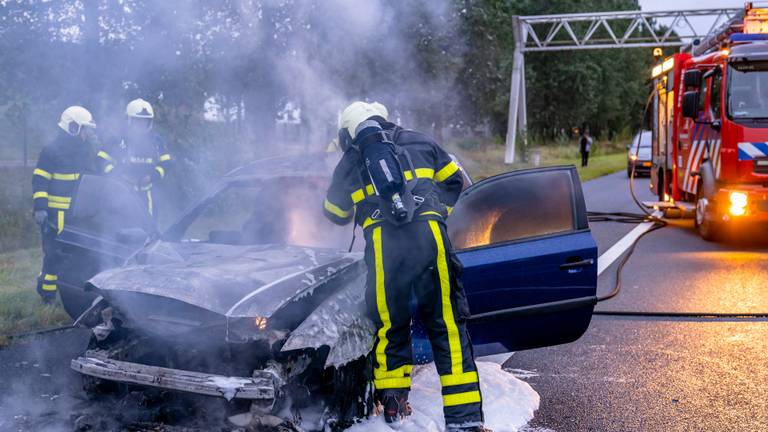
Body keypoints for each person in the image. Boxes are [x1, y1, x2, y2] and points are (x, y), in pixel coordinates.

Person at [323, 101, 487, 432]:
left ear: (348, 132)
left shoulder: (350, 160)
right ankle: (465, 420)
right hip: (430, 240)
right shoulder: (421, 141)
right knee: (448, 327)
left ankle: (394, 407)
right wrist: (435, 210)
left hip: (384, 249)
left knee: (390, 326)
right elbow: (457, 183)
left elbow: (334, 213)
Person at [32, 106, 98, 303]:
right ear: (73, 127)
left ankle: (73, 294)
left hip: (78, 215)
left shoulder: (86, 150)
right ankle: (47, 296)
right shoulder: (51, 151)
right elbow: (40, 180)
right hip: (55, 216)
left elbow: (93, 178)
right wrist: (41, 208)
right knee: (54, 256)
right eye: (85, 129)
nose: (89, 133)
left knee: (77, 255)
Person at [96, 98, 171, 220]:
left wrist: (152, 176)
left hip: (147, 196)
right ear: (129, 120)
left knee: (148, 227)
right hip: (121, 193)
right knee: (122, 226)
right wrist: (118, 176)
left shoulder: (156, 141)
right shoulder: (118, 140)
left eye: (144, 121)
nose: (141, 124)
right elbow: (101, 161)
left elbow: (166, 164)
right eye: (138, 121)